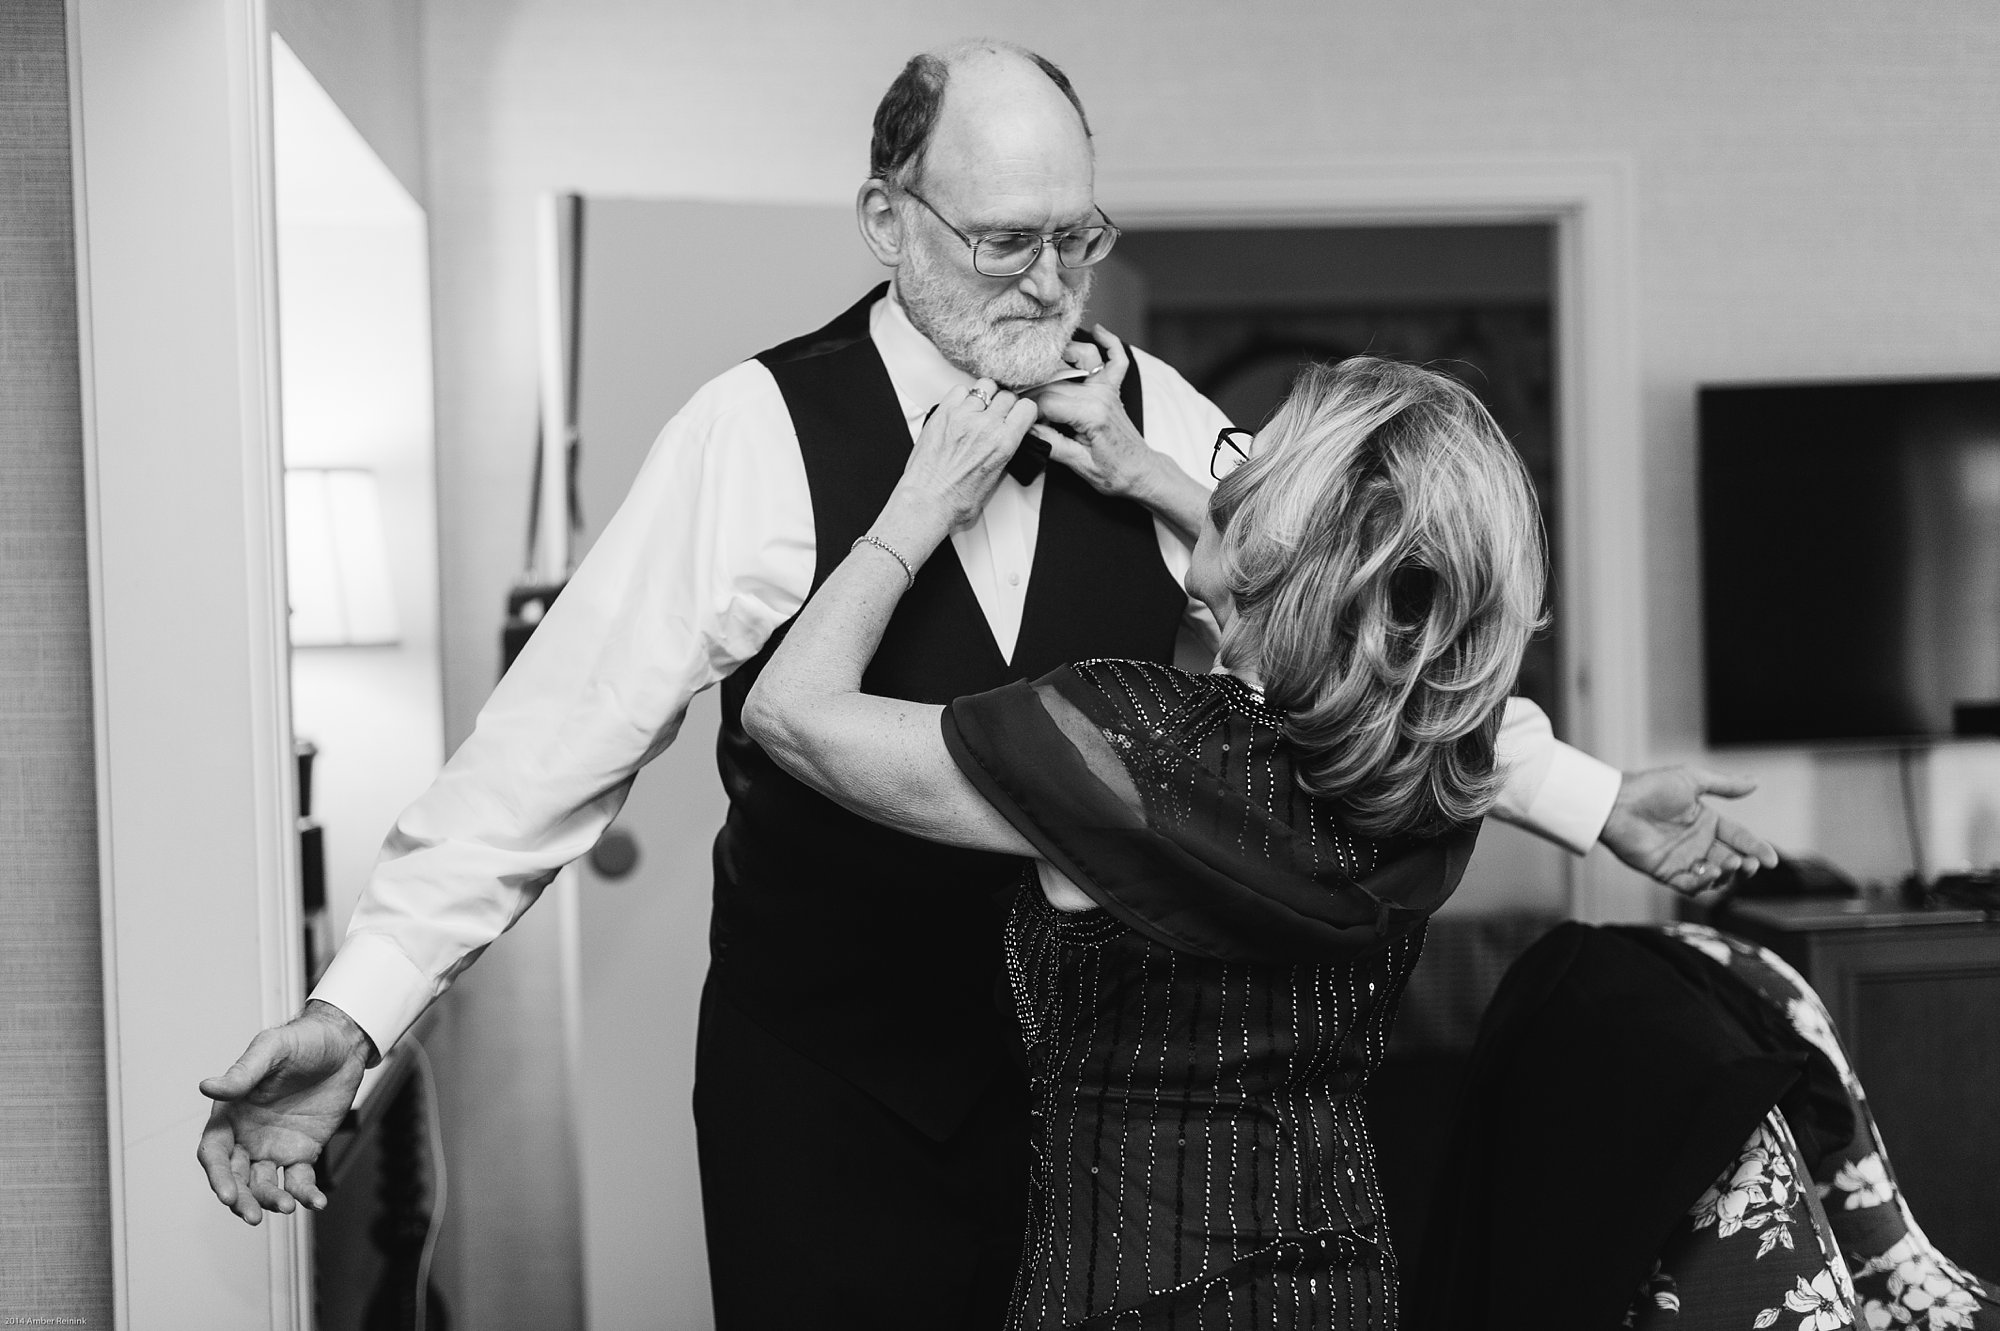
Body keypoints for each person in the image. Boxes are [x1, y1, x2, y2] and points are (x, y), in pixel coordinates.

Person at [197, 38, 1775, 1330]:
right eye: (1002, 240)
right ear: (888, 220)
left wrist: (1596, 798)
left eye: (1077, 237)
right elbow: (547, 750)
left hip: (1092, 1123)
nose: (1047, 284)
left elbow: (1362, 653)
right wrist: (364, 1004)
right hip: (828, 1091)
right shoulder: (752, 433)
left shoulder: (1157, 416)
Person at [740, 354, 1553, 1327]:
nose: (1227, 477)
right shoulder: (1441, 765)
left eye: (1255, 472)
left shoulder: (1133, 740)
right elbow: (1324, 598)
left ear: (1269, 536)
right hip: (1338, 1286)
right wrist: (1139, 470)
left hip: (1130, 1297)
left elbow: (789, 712)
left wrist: (913, 513)